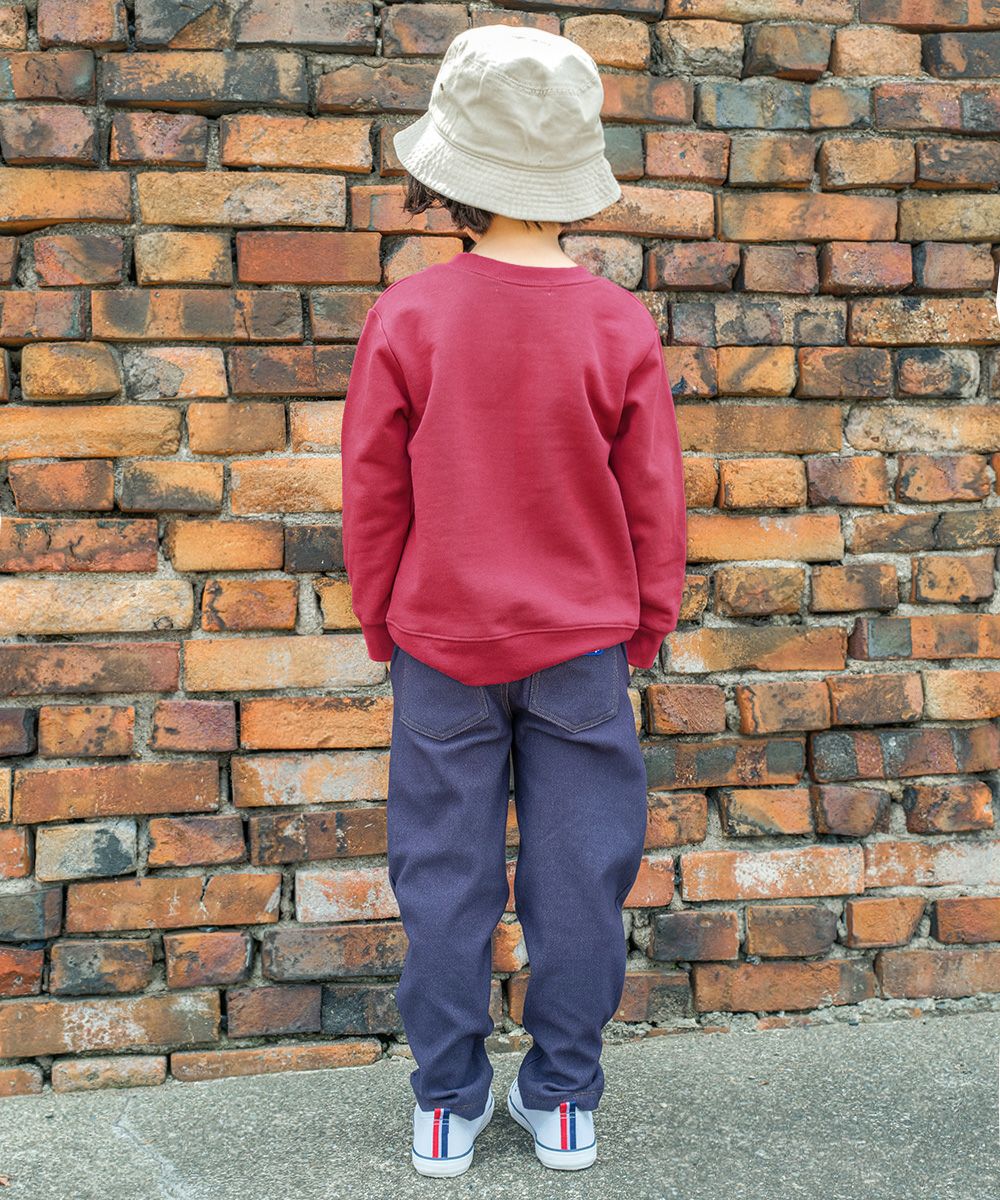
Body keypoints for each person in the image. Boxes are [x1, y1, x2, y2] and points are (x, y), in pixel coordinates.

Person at [341, 24, 687, 1177]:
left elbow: (372, 493)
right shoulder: (615, 323)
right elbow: (654, 501)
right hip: (584, 650)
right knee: (578, 880)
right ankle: (565, 1100)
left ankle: (445, 1102)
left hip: (441, 646)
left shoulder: (409, 317)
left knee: (442, 879)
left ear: (445, 178)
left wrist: (380, 617)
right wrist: (647, 623)